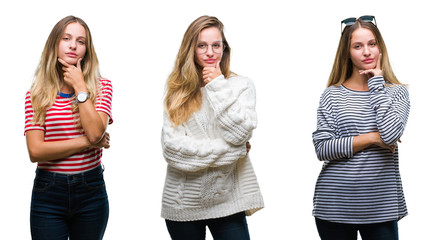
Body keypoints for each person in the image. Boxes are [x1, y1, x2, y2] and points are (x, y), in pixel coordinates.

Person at [161, 15, 264, 240]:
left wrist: (217, 85)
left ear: (224, 48)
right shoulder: (177, 91)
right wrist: (235, 151)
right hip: (182, 203)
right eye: (202, 46)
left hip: (228, 200)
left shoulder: (241, 86)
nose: (210, 53)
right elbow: (173, 151)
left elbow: (240, 133)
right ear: (191, 49)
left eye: (216, 45)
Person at [312, 15, 410, 240]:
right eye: (357, 46)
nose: (366, 52)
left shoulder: (397, 93)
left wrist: (377, 83)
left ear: (380, 48)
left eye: (372, 44)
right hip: (334, 205)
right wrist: (372, 138)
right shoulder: (332, 95)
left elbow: (391, 134)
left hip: (381, 207)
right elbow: (322, 148)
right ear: (347, 52)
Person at [24, 15, 113, 240]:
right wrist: (88, 142)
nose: (73, 45)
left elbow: (95, 131)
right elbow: (36, 151)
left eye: (81, 41)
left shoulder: (102, 87)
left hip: (91, 190)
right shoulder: (36, 95)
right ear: (55, 44)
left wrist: (80, 86)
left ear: (87, 49)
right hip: (48, 192)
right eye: (66, 38)